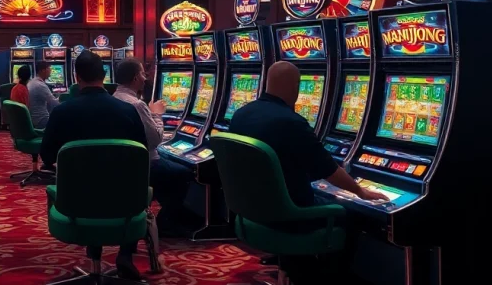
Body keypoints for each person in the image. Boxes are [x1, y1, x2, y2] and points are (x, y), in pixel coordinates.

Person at [40, 51, 148, 280]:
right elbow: (143, 154)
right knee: (127, 184)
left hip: (76, 202)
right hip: (124, 203)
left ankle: (94, 249)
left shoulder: (62, 112)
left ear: (76, 76)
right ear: (105, 74)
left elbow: (47, 156)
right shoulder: (128, 110)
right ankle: (125, 254)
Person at [229, 61, 388, 207]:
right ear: (296, 86)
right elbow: (328, 171)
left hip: (253, 206)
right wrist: (360, 191)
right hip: (291, 210)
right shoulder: (292, 122)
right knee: (350, 211)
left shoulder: (240, 114)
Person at [113, 58, 200, 236]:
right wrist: (157, 115)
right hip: (146, 163)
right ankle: (167, 221)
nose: (145, 78)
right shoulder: (137, 104)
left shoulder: (115, 97)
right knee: (184, 172)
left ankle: (173, 214)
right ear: (136, 77)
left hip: (127, 163)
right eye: (143, 74)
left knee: (171, 161)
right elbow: (156, 139)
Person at [28, 61, 60, 128]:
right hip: (41, 121)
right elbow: (54, 104)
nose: (51, 70)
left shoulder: (32, 82)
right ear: (43, 70)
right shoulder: (40, 85)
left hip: (32, 120)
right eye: (49, 68)